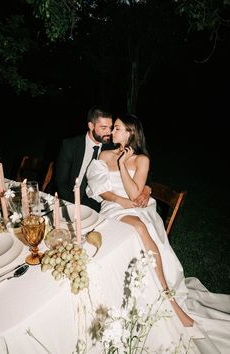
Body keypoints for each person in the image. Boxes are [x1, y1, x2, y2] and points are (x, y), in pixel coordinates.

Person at [86, 114, 230, 352]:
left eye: (118, 128)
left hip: (137, 209)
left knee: (140, 227)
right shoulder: (103, 155)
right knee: (137, 229)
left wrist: (123, 166)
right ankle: (162, 297)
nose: (113, 132)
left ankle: (167, 297)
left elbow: (136, 195)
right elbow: (101, 191)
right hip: (113, 208)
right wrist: (121, 199)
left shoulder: (142, 160)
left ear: (131, 133)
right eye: (114, 129)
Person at [55, 106, 151, 212]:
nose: (109, 132)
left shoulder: (113, 146)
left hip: (96, 203)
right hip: (68, 198)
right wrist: (72, 205)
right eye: (104, 128)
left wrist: (147, 189)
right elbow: (61, 181)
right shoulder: (71, 145)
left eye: (111, 127)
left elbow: (140, 169)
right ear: (91, 126)